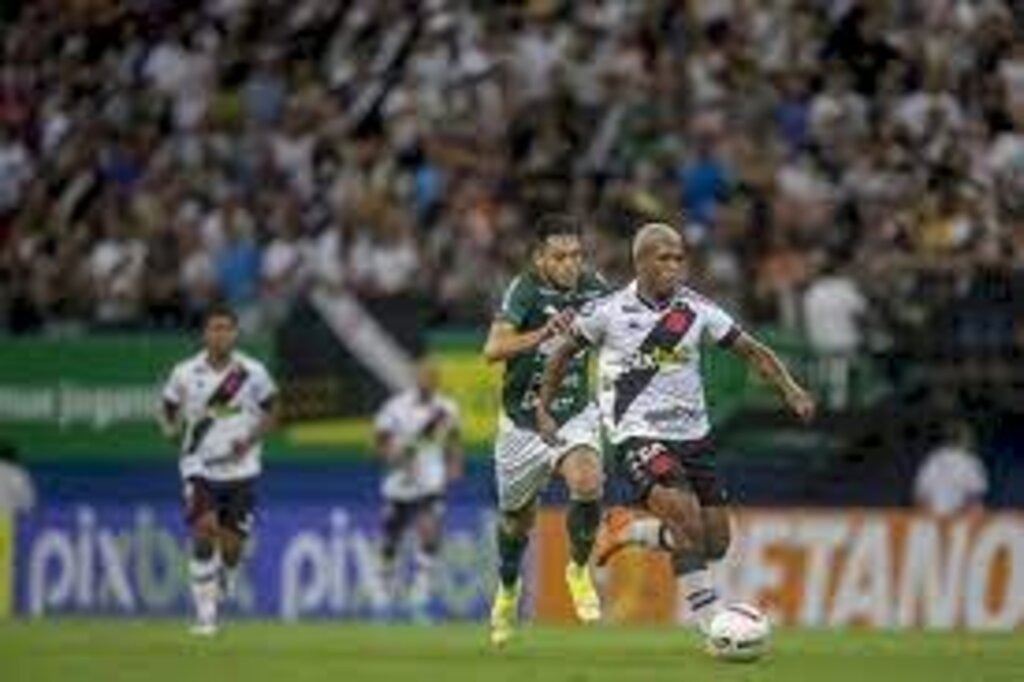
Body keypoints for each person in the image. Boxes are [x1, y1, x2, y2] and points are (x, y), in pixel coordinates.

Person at [537, 223, 814, 640]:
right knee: (685, 519)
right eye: (664, 257)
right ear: (641, 262)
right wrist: (543, 407)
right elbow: (562, 354)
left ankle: (628, 530)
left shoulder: (697, 310)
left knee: (715, 542)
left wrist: (790, 389)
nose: (673, 265)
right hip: (638, 434)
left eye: (679, 258)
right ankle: (712, 625)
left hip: (695, 438)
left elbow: (752, 351)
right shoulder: (608, 312)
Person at [482, 214, 610, 646]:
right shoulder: (525, 290)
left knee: (588, 482)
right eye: (560, 256)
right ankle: (507, 588)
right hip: (520, 424)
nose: (571, 264)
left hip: (572, 414)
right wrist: (542, 333)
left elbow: (622, 330)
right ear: (540, 259)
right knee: (516, 524)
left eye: (576, 255)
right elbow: (493, 349)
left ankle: (577, 568)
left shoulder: (595, 287)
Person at [159, 305, 278, 636]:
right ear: (204, 333)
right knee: (204, 530)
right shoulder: (184, 372)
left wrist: (251, 439)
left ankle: (228, 571)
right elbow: (168, 407)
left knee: (232, 548)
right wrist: (169, 428)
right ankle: (205, 616)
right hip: (198, 465)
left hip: (242, 469)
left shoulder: (252, 372)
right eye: (214, 328)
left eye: (227, 328)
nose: (220, 334)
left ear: (236, 334)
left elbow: (272, 411)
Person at [373, 359, 463, 619]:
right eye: (423, 376)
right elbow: (380, 442)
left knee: (429, 531)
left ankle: (419, 593)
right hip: (399, 483)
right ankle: (383, 587)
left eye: (432, 377)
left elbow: (454, 440)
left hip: (430, 481)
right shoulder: (395, 408)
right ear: (416, 378)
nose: (428, 381)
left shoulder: (446, 409)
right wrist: (392, 457)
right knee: (391, 538)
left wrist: (455, 465)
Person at [914, 422, 988, 518]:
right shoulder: (971, 462)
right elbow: (975, 499)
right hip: (959, 521)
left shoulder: (931, 461)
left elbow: (920, 496)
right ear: (964, 439)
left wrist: (935, 519)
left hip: (933, 520)